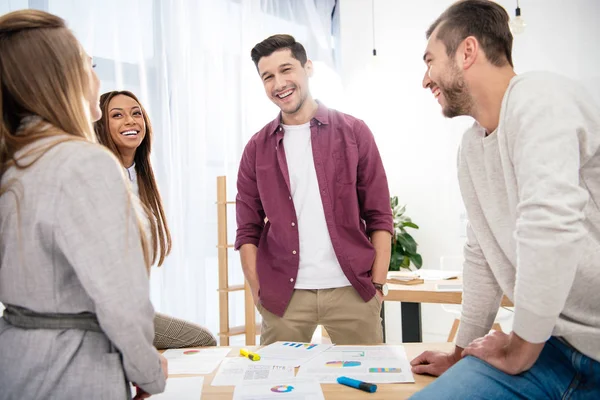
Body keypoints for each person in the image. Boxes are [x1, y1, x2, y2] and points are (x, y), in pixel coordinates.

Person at [410, 1, 600, 398]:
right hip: (549, 347)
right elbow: (481, 254)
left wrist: (518, 351)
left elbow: (549, 227)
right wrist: (461, 353)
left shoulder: (539, 98)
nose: (425, 79)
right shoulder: (470, 148)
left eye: (430, 61)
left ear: (467, 51)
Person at [0, 9, 166, 400]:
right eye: (90, 64)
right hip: (73, 370)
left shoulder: (14, 163)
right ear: (64, 77)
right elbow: (121, 301)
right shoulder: (83, 162)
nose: (97, 76)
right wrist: (148, 372)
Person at [235, 34, 393, 345]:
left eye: (286, 69)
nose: (279, 83)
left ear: (308, 68)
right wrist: (258, 291)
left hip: (352, 291)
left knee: (366, 391)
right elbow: (247, 230)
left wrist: (377, 285)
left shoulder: (354, 132)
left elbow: (379, 214)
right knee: (277, 391)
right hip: (284, 297)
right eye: (268, 76)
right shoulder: (256, 148)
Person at [94, 90, 217, 349]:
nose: (130, 120)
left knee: (200, 340)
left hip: (131, 308)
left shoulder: (139, 178)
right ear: (101, 127)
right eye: (117, 115)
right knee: (202, 340)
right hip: (105, 313)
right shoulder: (99, 177)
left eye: (136, 113)